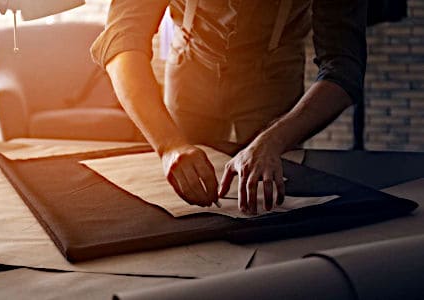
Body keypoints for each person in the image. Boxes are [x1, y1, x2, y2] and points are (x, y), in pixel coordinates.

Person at [91, 0, 367, 215]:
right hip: (189, 77)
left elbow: (343, 68)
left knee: (270, 206)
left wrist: (274, 140)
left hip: (272, 83)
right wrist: (169, 145)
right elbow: (121, 43)